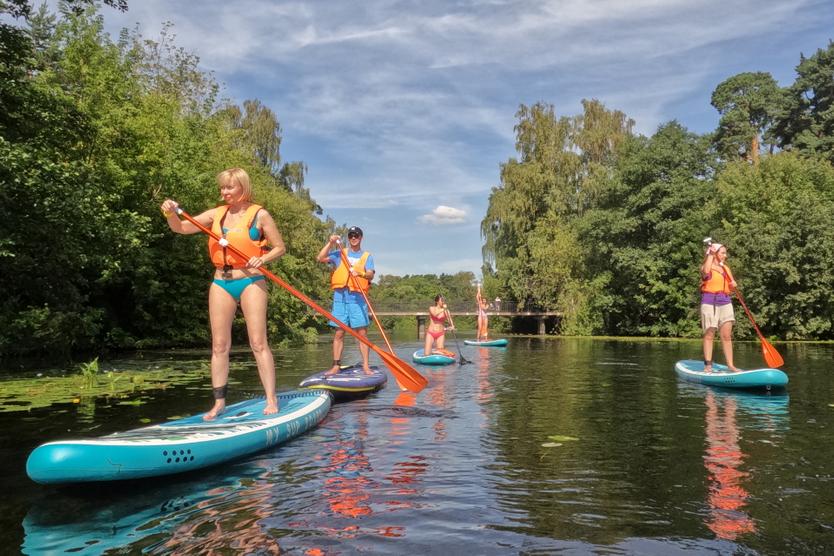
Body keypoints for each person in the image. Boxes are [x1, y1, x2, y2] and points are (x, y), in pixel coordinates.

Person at [160, 168, 285, 420]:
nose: (224, 192)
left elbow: (280, 247)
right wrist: (169, 213)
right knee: (219, 345)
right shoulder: (216, 214)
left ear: (242, 188)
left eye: (229, 187)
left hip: (250, 279)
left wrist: (263, 259)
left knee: (258, 343)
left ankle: (271, 399)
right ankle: (218, 404)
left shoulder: (259, 215)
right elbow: (181, 228)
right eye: (222, 188)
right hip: (221, 281)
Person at [317, 226, 375, 375]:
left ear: (361, 237)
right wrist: (330, 243)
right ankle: (336, 365)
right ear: (348, 238)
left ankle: (366, 366)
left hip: (357, 299)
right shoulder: (339, 253)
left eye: (356, 235)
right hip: (340, 299)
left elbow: (370, 275)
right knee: (339, 333)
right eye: (351, 236)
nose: (353, 238)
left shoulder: (367, 256)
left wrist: (360, 273)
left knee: (361, 333)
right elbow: (320, 258)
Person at [700, 240, 739, 373]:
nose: (725, 255)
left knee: (727, 335)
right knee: (709, 333)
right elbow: (705, 272)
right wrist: (710, 254)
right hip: (709, 301)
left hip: (725, 301)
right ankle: (708, 365)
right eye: (722, 253)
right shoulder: (707, 266)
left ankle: (731, 365)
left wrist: (733, 286)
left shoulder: (726, 269)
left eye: (725, 253)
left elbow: (730, 288)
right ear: (715, 253)